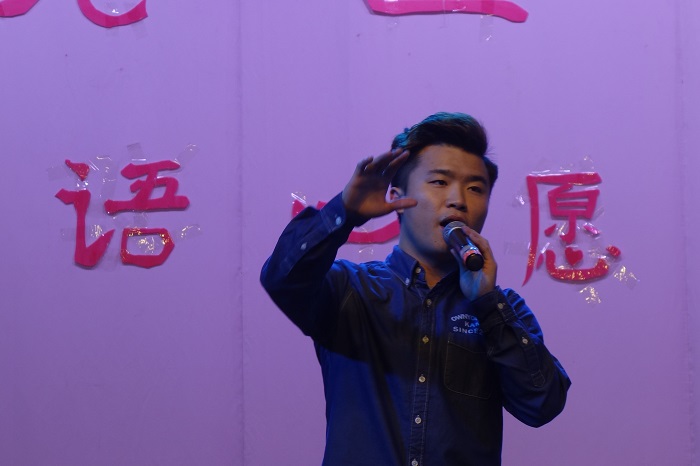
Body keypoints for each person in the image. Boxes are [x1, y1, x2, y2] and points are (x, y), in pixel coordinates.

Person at [260, 112, 571, 466]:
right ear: (397, 197)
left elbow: (542, 404)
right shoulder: (350, 290)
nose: (458, 200)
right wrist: (344, 211)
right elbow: (281, 278)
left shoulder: (502, 309)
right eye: (439, 182)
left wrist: (487, 304)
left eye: (475, 188)